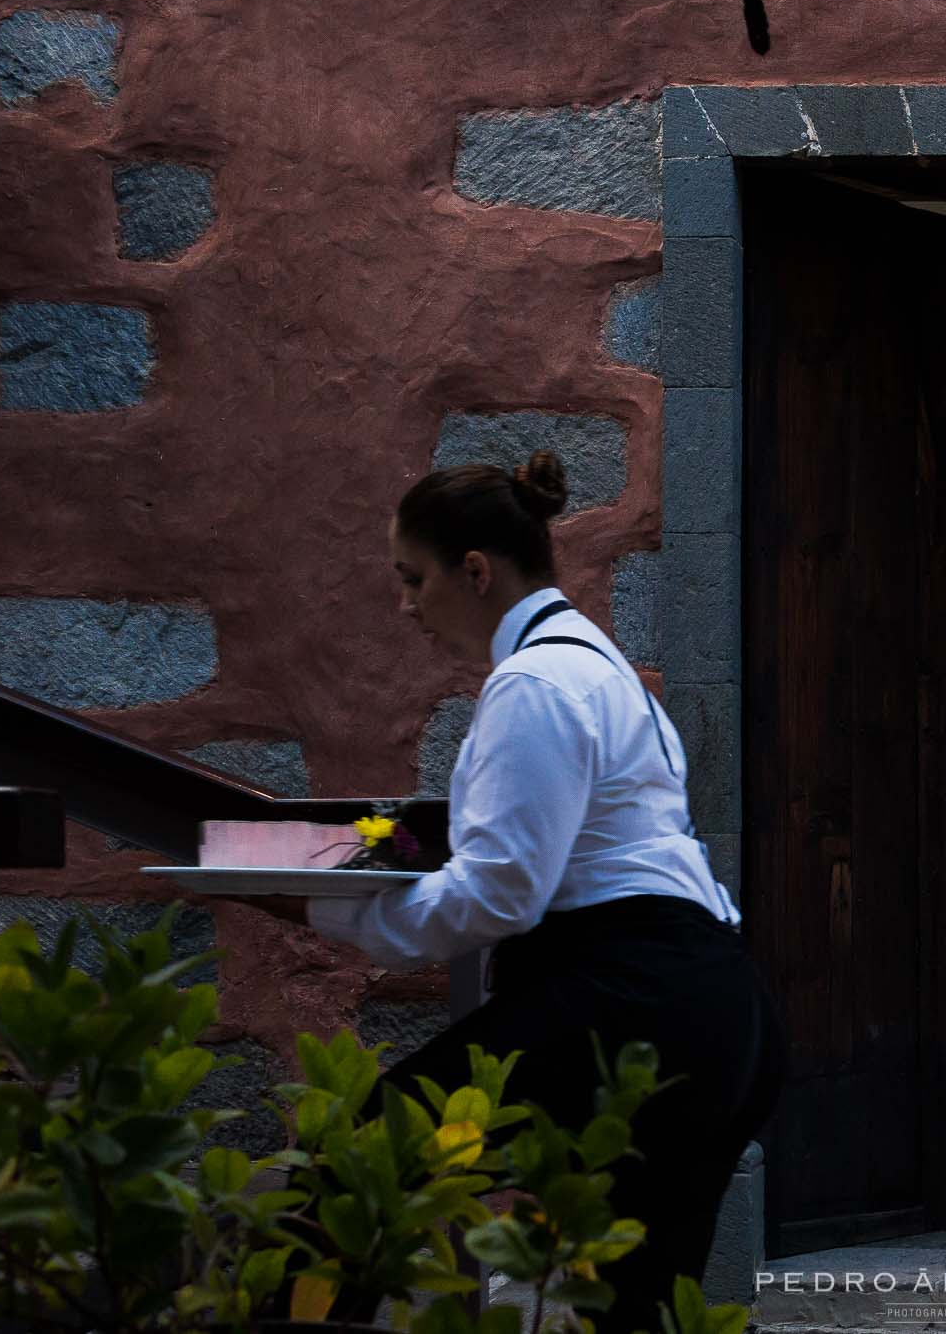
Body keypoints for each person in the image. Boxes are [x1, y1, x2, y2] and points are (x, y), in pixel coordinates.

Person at [245, 451, 784, 1331]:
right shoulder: (603, 670)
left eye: (413, 578)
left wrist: (319, 902)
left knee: (360, 1171)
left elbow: (497, 893)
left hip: (634, 1002)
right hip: (720, 1009)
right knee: (638, 1304)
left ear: (476, 571)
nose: (406, 605)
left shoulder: (533, 682)